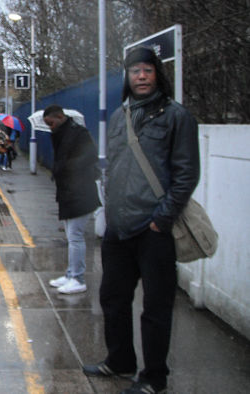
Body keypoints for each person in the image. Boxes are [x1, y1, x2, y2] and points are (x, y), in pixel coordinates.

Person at [82, 46, 199, 394]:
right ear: (128, 77)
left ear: (157, 74)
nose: (142, 76)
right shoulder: (120, 117)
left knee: (156, 307)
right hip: (119, 227)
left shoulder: (177, 117)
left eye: (148, 70)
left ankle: (154, 377)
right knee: (112, 298)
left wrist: (161, 220)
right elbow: (117, 165)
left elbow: (186, 174)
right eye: (135, 71)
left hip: (154, 230)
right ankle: (120, 361)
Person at [42, 104, 100, 294]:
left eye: (51, 123)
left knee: (75, 236)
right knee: (71, 235)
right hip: (69, 191)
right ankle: (70, 274)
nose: (50, 127)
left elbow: (89, 156)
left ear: (60, 117)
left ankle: (78, 278)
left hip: (80, 192)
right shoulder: (62, 134)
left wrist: (66, 168)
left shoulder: (79, 133)